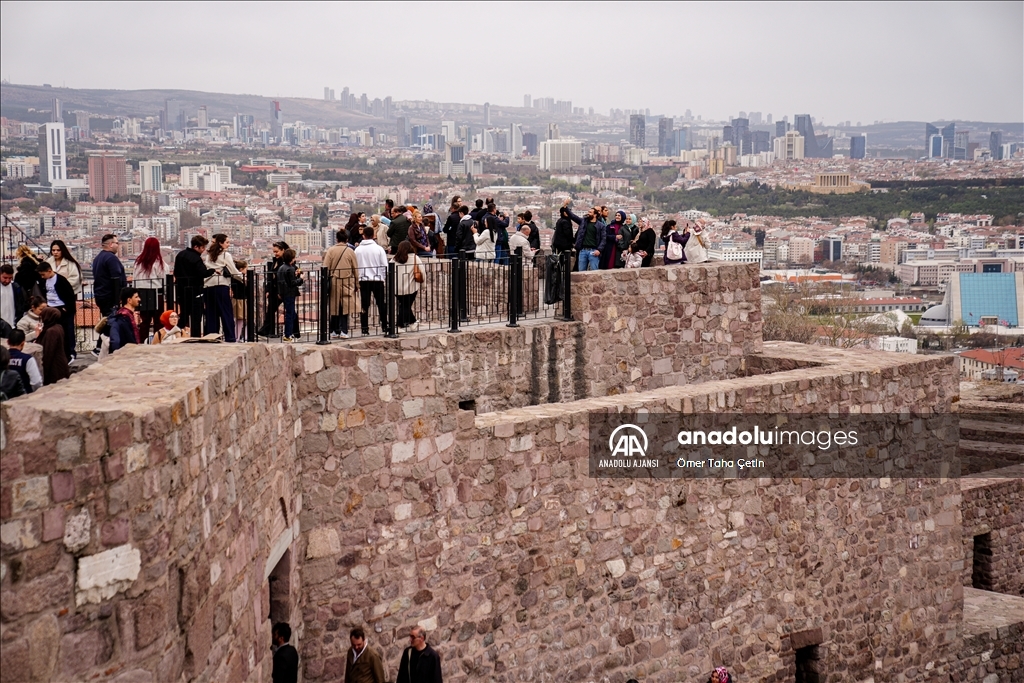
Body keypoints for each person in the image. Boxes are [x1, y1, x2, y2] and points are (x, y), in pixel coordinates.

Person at [202, 234, 244, 342]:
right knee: (226, 312)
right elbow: (233, 270)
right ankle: (230, 337)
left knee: (211, 313)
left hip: (208, 286)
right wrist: (243, 278)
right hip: (221, 285)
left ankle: (212, 337)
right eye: (227, 242)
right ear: (221, 243)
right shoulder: (226, 255)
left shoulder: (209, 255)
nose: (229, 244)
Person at [36, 261, 78, 363]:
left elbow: (70, 296)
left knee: (66, 331)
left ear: (49, 271)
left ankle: (69, 354)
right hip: (51, 307)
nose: (42, 277)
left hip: (62, 308)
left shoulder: (60, 280)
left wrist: (66, 308)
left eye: (43, 274)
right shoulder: (44, 281)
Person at [323, 230, 359, 339]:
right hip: (347, 280)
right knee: (345, 306)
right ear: (347, 239)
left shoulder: (331, 250)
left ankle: (334, 330)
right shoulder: (350, 251)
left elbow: (325, 267)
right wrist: (357, 284)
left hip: (334, 280)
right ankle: (344, 330)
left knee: (335, 306)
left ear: (337, 239)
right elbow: (355, 269)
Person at [355, 226, 390, 335]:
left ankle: (364, 328)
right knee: (381, 304)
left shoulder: (358, 250)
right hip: (377, 279)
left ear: (363, 235)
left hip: (363, 279)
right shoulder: (379, 249)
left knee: (364, 305)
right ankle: (385, 326)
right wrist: (383, 277)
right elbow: (385, 265)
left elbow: (356, 266)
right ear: (373, 235)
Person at [132, 237, 168, 342]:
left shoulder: (138, 263)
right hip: (156, 294)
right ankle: (158, 342)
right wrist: (165, 294)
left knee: (144, 322)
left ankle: (142, 341)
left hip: (142, 295)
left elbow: (135, 279)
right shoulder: (160, 264)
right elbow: (164, 281)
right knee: (158, 321)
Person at [173, 235, 210, 338]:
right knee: (196, 318)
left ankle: (175, 336)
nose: (204, 250)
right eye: (202, 247)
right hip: (195, 292)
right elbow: (203, 273)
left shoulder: (180, 255)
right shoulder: (196, 258)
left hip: (182, 291)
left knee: (184, 316)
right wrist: (212, 271)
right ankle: (195, 338)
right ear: (196, 247)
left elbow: (176, 272)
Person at [91, 233, 127, 330]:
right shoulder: (111, 258)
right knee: (113, 324)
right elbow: (116, 278)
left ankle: (102, 343)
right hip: (110, 298)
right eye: (117, 243)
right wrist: (119, 297)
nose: (118, 246)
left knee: (106, 322)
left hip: (101, 295)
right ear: (111, 244)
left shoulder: (98, 258)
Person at [257, 241, 289, 338]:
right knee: (270, 310)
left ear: (283, 250)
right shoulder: (274, 261)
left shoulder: (286, 262)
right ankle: (266, 331)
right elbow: (270, 277)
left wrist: (279, 291)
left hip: (282, 290)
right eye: (274, 252)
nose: (275, 253)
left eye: (277, 251)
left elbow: (282, 278)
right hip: (274, 289)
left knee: (289, 311)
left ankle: (266, 330)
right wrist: (267, 289)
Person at [394, 241, 423, 331]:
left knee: (404, 305)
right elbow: (422, 272)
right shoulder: (415, 258)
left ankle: (412, 323)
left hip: (397, 287)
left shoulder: (394, 259)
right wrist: (424, 285)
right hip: (411, 287)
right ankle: (398, 326)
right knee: (405, 306)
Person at [38, 307, 70, 385]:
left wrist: (45, 369)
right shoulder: (58, 327)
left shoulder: (51, 331)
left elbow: (49, 352)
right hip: (61, 364)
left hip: (55, 367)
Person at [276, 249, 302, 343]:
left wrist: (279, 293)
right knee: (290, 315)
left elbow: (281, 282)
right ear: (292, 258)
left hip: (283, 293)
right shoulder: (290, 269)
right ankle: (288, 335)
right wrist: (300, 278)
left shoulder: (281, 267)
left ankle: (295, 333)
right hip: (290, 294)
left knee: (292, 314)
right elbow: (293, 283)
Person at [5, 329, 42, 394]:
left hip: (5, 395)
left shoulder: (3, 357)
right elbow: (36, 382)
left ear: (8, 342)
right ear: (23, 343)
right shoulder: (27, 359)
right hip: (24, 395)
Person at [571, 207, 607, 271]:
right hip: (583, 251)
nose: (588, 214)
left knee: (594, 272)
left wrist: (599, 250)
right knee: (581, 272)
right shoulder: (584, 222)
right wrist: (565, 208)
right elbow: (574, 217)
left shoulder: (601, 225)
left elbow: (604, 239)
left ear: (595, 215)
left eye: (590, 212)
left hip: (594, 251)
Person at [107, 287, 142, 353]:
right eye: (136, 297)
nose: (139, 299)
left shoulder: (125, 315)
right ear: (129, 300)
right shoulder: (124, 317)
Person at [1, 263, 27, 331]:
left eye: (10, 278)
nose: (7, 281)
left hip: (13, 324)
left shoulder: (16, 287)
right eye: (5, 278)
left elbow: (21, 304)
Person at [231, 261, 249, 342]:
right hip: (241, 300)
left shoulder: (233, 277)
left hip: (236, 299)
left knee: (239, 319)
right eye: (246, 269)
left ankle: (238, 336)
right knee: (241, 319)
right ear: (241, 269)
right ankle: (239, 337)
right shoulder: (240, 278)